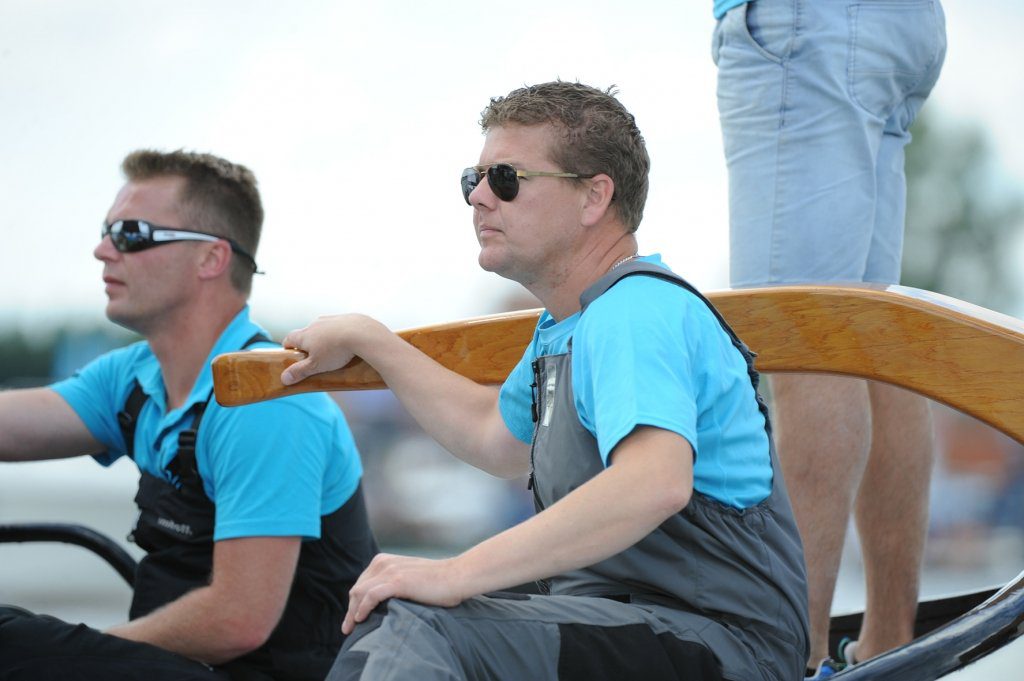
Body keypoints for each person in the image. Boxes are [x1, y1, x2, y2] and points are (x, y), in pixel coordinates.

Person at [280, 81, 809, 681]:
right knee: (403, 610)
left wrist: (453, 573)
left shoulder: (634, 312)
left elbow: (654, 482)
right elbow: (492, 435)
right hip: (635, 626)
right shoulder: (566, 327)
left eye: (505, 178)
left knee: (412, 623)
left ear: (593, 197)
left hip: (720, 647)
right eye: (471, 180)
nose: (479, 198)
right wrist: (374, 341)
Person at [0, 150, 377, 681]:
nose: (102, 250)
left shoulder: (268, 401)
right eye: (106, 230)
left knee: (14, 644)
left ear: (211, 259)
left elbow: (237, 620)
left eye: (130, 233)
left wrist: (79, 653)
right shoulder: (132, 378)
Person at [711, 1, 947, 676]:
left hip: (806, 25)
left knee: (805, 339)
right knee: (872, 337)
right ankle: (889, 645)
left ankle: (794, 656)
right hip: (894, 27)